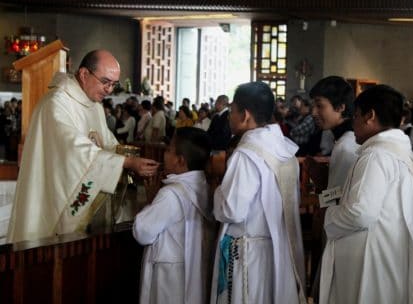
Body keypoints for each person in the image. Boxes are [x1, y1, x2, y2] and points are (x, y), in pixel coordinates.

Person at [7, 50, 159, 243]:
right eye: (105, 82)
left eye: (114, 84)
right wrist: (125, 162)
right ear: (84, 74)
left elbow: (107, 142)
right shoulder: (56, 103)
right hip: (50, 199)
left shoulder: (93, 104)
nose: (109, 90)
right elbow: (72, 150)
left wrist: (126, 157)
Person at [319, 85, 413, 304]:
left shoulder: (376, 156)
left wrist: (328, 215)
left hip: (369, 260)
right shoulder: (403, 154)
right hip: (388, 254)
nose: (354, 123)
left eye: (356, 115)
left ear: (370, 116)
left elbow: (359, 213)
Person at [211, 81, 306, 304]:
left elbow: (231, 210)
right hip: (277, 249)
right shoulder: (284, 149)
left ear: (245, 115)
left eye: (232, 111)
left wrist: (216, 191)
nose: (229, 116)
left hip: (247, 254)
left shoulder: (247, 153)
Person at [133, 127, 216, 304]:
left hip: (169, 275)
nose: (165, 153)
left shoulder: (171, 194)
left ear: (180, 160)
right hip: (192, 269)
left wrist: (151, 202)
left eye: (169, 149)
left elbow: (142, 232)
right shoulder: (204, 187)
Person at [310, 76, 359, 191]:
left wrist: (321, 184)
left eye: (320, 106)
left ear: (341, 107)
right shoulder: (346, 138)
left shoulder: (346, 145)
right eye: (313, 106)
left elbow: (336, 198)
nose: (313, 113)